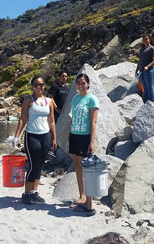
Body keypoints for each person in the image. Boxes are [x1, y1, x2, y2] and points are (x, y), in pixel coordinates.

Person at [12, 76, 57, 205]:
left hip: (46, 136)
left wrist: (54, 138)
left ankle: (34, 192)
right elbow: (23, 119)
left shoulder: (49, 101)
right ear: (32, 86)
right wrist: (17, 136)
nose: (39, 87)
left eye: (41, 84)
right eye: (36, 84)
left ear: (44, 85)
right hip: (32, 136)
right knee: (33, 165)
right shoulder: (28, 100)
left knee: (40, 165)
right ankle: (26, 193)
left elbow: (52, 121)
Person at [69, 74, 99, 216]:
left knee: (86, 169)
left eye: (82, 83)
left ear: (88, 83)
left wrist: (91, 142)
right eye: (78, 83)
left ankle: (89, 204)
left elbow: (93, 122)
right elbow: (73, 118)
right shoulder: (75, 99)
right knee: (77, 166)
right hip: (74, 135)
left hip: (85, 137)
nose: (80, 85)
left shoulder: (92, 99)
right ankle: (82, 197)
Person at [136, 34, 154, 102]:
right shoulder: (142, 49)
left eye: (146, 39)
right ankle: (145, 102)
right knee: (144, 87)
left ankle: (150, 102)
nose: (145, 41)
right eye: (144, 40)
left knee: (149, 87)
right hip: (142, 71)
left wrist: (147, 67)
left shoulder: (152, 48)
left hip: (149, 71)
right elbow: (140, 60)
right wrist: (137, 69)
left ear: (149, 40)